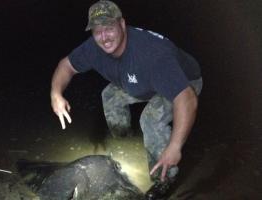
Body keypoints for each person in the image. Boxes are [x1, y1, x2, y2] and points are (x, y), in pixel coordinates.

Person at [50, 0, 202, 198]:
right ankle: (124, 141)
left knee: (149, 120)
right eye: (97, 31)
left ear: (122, 24)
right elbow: (66, 65)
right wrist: (56, 93)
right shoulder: (94, 47)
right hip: (140, 80)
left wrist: (175, 147)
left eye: (109, 28)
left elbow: (187, 99)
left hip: (183, 83)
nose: (104, 37)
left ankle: (165, 177)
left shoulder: (152, 54)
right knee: (110, 96)